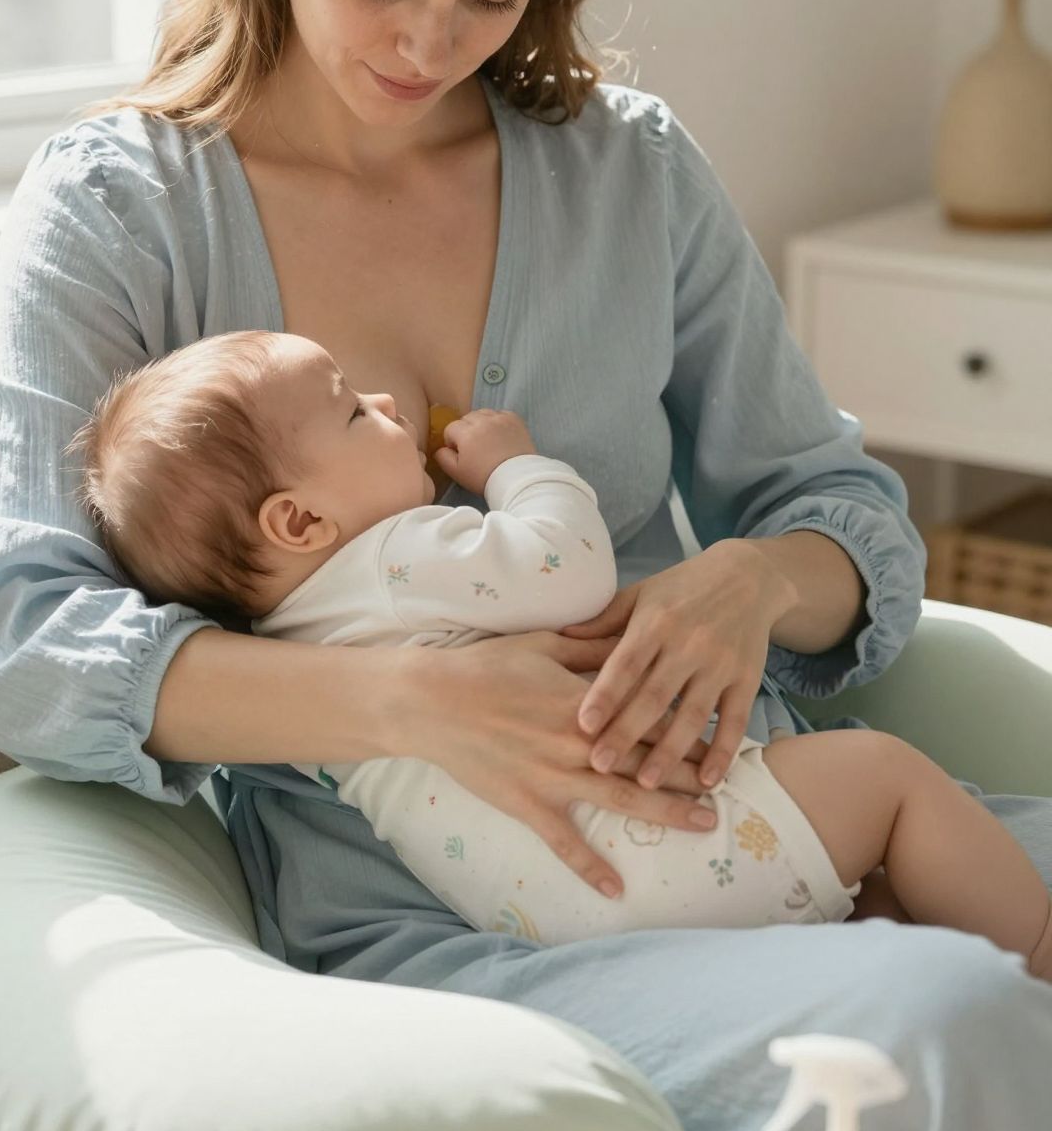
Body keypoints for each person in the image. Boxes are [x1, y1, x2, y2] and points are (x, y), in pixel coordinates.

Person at [0, 0, 1052, 1131]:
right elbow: (25, 643)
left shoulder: (626, 170)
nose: (424, 42)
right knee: (953, 1013)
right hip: (466, 922)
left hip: (761, 813)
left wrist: (751, 580)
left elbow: (843, 509)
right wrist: (396, 696)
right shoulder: (124, 207)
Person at [71, 326, 1052, 969]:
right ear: (296, 519)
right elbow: (568, 567)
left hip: (558, 914)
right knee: (886, 776)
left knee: (877, 896)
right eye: (349, 409)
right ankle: (1040, 960)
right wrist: (515, 465)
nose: (383, 401)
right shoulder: (402, 558)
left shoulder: (288, 662)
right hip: (674, 841)